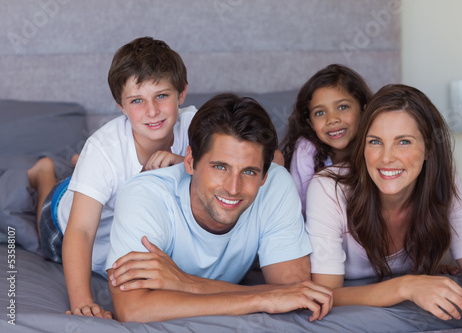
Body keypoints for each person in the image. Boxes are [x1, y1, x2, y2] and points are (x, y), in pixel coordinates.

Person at [105, 93, 333, 322]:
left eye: (249, 171)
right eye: (220, 167)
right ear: (190, 161)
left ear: (264, 175)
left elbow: (291, 291)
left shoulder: (276, 184)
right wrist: (261, 299)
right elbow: (132, 309)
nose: (233, 188)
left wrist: (187, 283)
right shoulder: (145, 196)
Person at [27, 36, 196, 319]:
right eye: (137, 100)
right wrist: (82, 300)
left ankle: (79, 168)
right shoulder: (104, 148)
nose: (152, 111)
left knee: (98, 175)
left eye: (162, 96)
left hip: (117, 198)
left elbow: (257, 159)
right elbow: (79, 232)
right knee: (53, 212)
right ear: (121, 106)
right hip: (63, 220)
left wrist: (185, 163)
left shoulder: (197, 128)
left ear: (182, 95)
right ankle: (45, 174)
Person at [306, 84, 462, 329]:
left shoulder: (444, 182)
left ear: (429, 148)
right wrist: (407, 286)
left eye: (403, 142)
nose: (386, 158)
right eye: (375, 141)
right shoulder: (328, 188)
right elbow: (327, 293)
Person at [281, 64, 372, 217]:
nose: (332, 119)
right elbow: (299, 209)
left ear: (364, 110)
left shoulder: (376, 146)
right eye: (320, 112)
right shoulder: (306, 151)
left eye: (343, 107)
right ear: (310, 122)